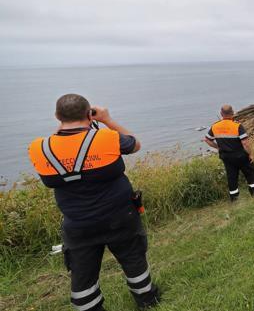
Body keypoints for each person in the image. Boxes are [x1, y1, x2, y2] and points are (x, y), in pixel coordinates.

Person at [28, 94, 160, 311]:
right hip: (120, 216)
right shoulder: (106, 138)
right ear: (90, 114)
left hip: (77, 223)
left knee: (82, 273)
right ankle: (147, 300)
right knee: (133, 258)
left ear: (56, 116)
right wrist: (106, 119)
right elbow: (135, 144)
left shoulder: (39, 147)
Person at [204, 105, 254, 201]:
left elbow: (207, 140)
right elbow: (245, 143)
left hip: (226, 157)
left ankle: (234, 198)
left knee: (231, 176)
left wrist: (218, 147)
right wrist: (250, 154)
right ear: (232, 113)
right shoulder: (237, 126)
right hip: (241, 155)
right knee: (250, 173)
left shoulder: (215, 126)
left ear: (221, 114)